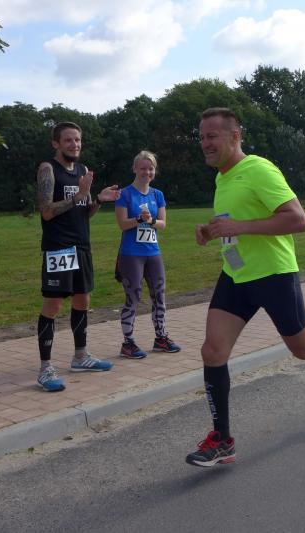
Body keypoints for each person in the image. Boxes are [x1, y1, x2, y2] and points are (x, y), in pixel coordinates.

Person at [185, 108, 305, 467]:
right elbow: (235, 220)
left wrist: (239, 227)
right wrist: (212, 230)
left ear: (235, 136)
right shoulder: (222, 177)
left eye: (212, 136)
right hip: (236, 275)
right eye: (201, 137)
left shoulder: (259, 169)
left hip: (274, 275)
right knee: (213, 351)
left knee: (302, 348)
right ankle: (222, 440)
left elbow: (298, 219)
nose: (205, 143)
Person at [35, 122, 121, 392]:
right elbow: (46, 211)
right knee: (53, 305)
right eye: (69, 140)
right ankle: (45, 369)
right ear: (56, 143)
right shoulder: (48, 169)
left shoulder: (83, 171)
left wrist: (98, 200)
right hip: (59, 247)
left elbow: (84, 212)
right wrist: (79, 195)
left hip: (82, 246)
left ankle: (80, 357)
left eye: (78, 140)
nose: (75, 145)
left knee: (83, 300)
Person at [114, 150, 181, 359]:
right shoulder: (125, 194)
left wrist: (150, 220)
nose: (147, 172)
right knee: (133, 296)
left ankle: (161, 338)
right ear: (135, 169)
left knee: (159, 295)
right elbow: (122, 224)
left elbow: (162, 224)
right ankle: (128, 343)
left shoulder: (157, 194)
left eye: (150, 168)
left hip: (153, 252)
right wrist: (139, 219)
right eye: (143, 168)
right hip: (131, 254)